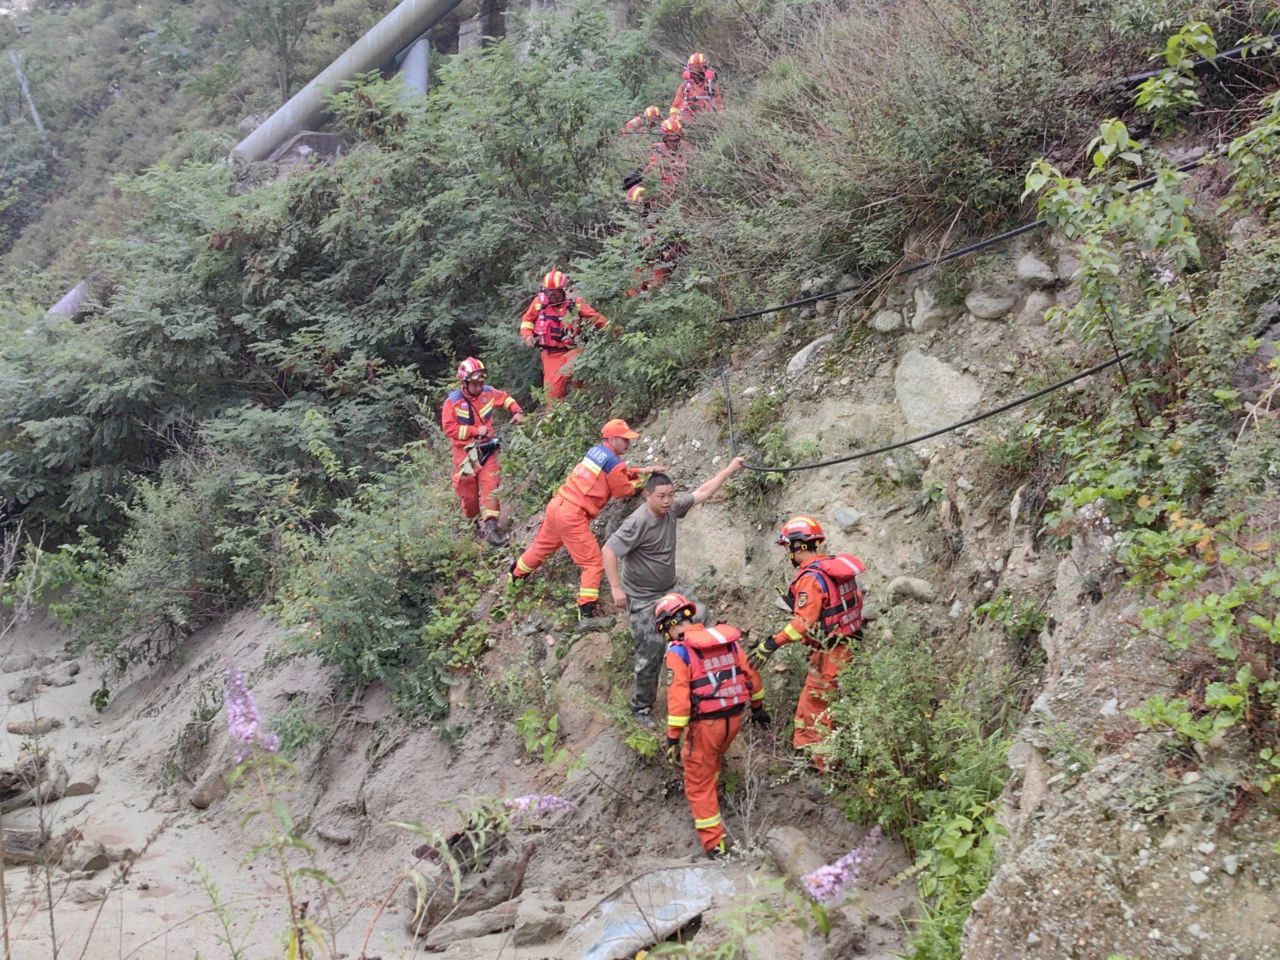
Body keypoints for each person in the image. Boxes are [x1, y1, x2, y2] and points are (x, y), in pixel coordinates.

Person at [602, 457, 746, 727]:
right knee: (650, 653)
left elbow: (702, 492)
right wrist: (615, 588)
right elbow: (608, 550)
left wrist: (728, 470)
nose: (667, 501)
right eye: (661, 496)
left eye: (670, 495)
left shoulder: (672, 510)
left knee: (699, 615)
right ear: (648, 496)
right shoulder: (638, 522)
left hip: (669, 590)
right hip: (643, 598)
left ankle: (691, 677)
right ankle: (641, 707)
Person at [510, 420, 667, 621]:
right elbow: (622, 490)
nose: (628, 443)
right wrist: (642, 482)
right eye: (624, 439)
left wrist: (637, 471)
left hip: (557, 506)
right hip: (572, 516)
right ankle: (586, 610)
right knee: (593, 563)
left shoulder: (597, 451)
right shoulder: (615, 463)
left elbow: (612, 473)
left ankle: (515, 576)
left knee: (540, 548)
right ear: (612, 438)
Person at [748, 516, 867, 771]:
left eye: (787, 547)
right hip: (845, 645)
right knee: (816, 702)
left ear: (798, 546)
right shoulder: (832, 568)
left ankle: (823, 766)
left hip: (833, 652)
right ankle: (809, 753)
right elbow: (855, 600)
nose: (787, 553)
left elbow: (803, 622)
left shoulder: (811, 578)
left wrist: (771, 644)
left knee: (816, 707)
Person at [658, 592, 768, 859]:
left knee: (698, 780)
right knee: (711, 763)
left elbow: (679, 701)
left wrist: (673, 739)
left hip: (707, 724)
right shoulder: (725, 641)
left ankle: (714, 846)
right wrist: (758, 707)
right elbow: (750, 675)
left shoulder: (679, 651)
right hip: (735, 718)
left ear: (669, 626)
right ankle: (715, 800)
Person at [440, 357, 525, 546]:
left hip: (487, 449)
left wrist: (517, 410)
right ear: (465, 383)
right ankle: (473, 524)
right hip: (466, 454)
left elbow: (506, 398)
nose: (479, 387)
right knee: (468, 492)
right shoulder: (452, 402)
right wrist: (474, 431)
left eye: (481, 382)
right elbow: (449, 429)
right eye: (475, 383)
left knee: (490, 486)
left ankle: (492, 528)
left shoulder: (488, 393)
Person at [520, 269, 607, 402]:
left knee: (579, 377)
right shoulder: (539, 303)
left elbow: (596, 318)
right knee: (552, 394)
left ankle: (585, 405)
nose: (552, 294)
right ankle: (556, 416)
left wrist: (614, 330)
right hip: (551, 354)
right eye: (549, 291)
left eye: (555, 291)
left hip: (574, 349)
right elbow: (527, 320)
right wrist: (527, 335)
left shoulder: (574, 303)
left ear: (563, 290)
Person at [671, 52, 723, 118]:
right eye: (693, 71)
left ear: (705, 70)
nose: (696, 74)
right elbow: (675, 107)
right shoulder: (685, 86)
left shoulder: (711, 86)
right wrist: (674, 119)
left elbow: (719, 106)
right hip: (686, 123)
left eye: (699, 71)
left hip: (708, 122)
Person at [645, 117, 687, 193]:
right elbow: (652, 169)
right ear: (664, 139)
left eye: (677, 139)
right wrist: (670, 165)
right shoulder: (657, 149)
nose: (674, 143)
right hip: (663, 188)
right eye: (671, 140)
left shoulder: (686, 147)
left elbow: (693, 162)